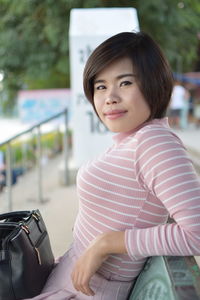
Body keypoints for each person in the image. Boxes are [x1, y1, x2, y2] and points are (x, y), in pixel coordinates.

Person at [25, 32, 200, 300]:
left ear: (154, 84)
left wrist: (109, 242)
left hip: (89, 290)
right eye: (101, 86)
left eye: (125, 82)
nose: (110, 97)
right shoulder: (133, 138)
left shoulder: (155, 143)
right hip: (73, 276)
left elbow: (197, 233)